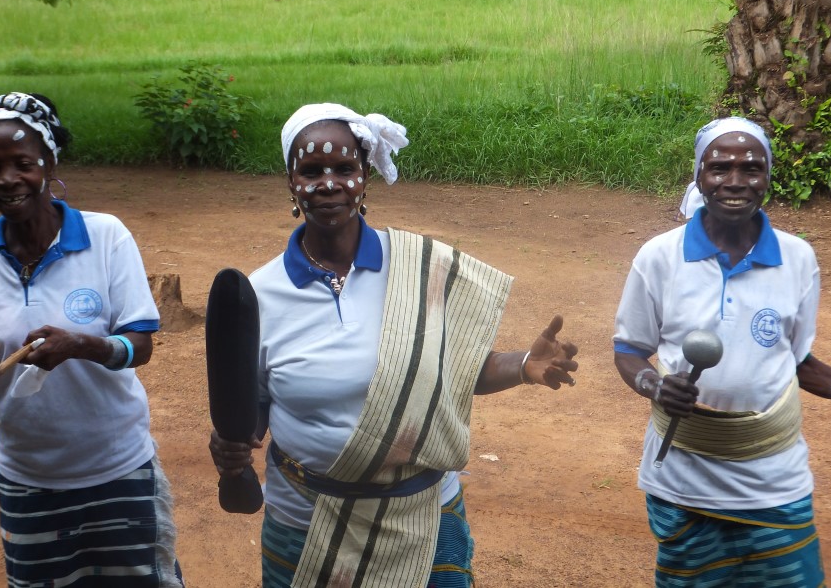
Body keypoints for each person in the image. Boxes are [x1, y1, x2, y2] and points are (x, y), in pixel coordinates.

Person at [209, 103, 580, 588]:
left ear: (365, 177)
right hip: (308, 524)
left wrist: (524, 364)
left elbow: (451, 371)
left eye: (344, 168)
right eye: (312, 170)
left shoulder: (422, 269)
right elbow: (253, 399)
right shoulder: (259, 293)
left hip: (422, 519)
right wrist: (235, 440)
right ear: (290, 183)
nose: (328, 183)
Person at [0, 92, 184, 587]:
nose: (7, 179)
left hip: (119, 469)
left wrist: (83, 346)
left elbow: (140, 346)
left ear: (48, 162)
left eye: (22, 163)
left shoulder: (107, 237)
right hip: (28, 481)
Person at [613, 116, 831, 587]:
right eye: (719, 168)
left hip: (774, 480)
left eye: (751, 168)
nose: (735, 182)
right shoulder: (659, 257)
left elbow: (798, 364)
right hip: (683, 479)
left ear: (768, 178)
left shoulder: (798, 259)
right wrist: (654, 385)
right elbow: (629, 350)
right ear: (699, 176)